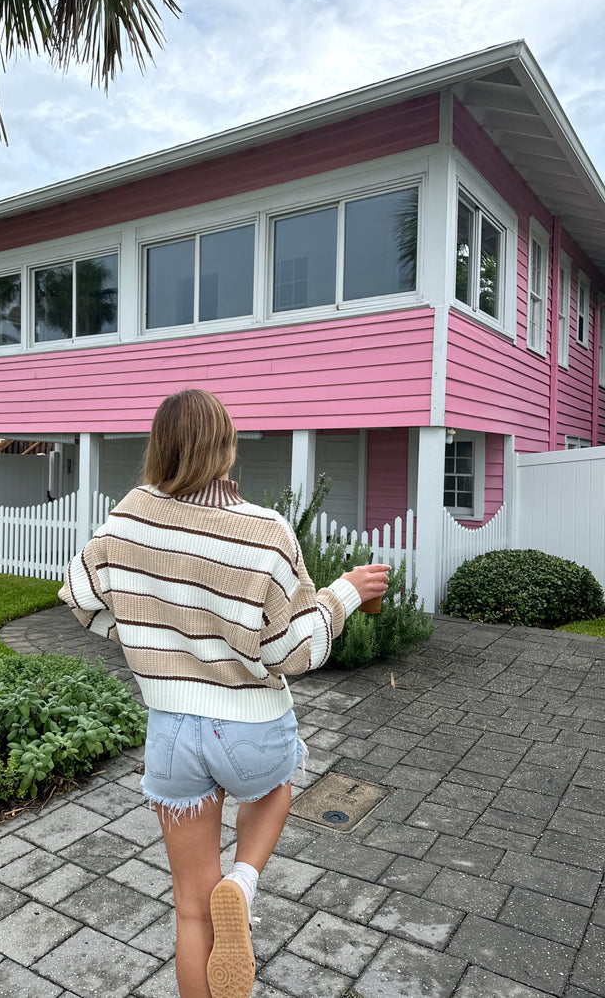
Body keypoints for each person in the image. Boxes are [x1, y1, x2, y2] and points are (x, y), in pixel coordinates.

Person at [59, 389, 389, 998]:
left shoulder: (125, 520)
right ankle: (242, 881)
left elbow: (79, 596)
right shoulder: (265, 532)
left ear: (159, 448)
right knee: (279, 782)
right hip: (252, 727)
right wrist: (342, 595)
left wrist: (141, 642)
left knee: (189, 909)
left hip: (171, 735)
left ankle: (220, 899)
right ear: (227, 448)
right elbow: (291, 651)